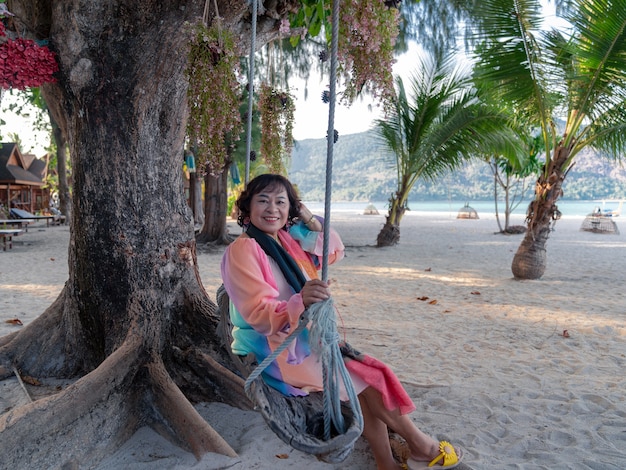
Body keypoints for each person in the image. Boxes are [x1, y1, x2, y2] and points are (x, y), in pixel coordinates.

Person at [221, 174, 463, 470]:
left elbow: (332, 246)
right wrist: (301, 300)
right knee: (367, 380)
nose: (272, 209)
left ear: (290, 209)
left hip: (303, 337)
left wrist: (305, 215)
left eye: (280, 202)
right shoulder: (244, 250)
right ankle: (422, 447)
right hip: (273, 349)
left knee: (368, 375)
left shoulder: (285, 239)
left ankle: (387, 461)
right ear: (247, 209)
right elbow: (258, 314)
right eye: (263, 201)